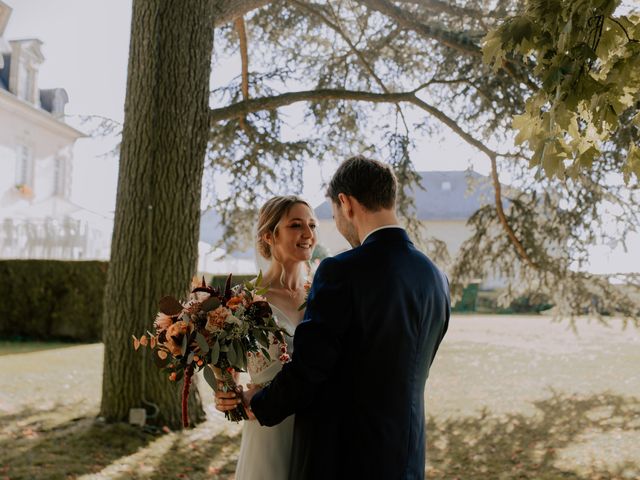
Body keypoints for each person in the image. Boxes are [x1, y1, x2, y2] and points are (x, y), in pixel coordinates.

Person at [219, 155, 450, 479]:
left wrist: (257, 404)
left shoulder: (340, 271)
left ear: (346, 203)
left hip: (343, 457)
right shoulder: (436, 278)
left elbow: (311, 368)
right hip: (406, 459)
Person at [218, 195, 317, 480]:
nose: (308, 234)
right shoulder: (244, 300)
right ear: (269, 235)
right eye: (296, 225)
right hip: (268, 430)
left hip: (318, 425)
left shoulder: (323, 295)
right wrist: (226, 396)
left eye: (311, 225)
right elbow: (228, 375)